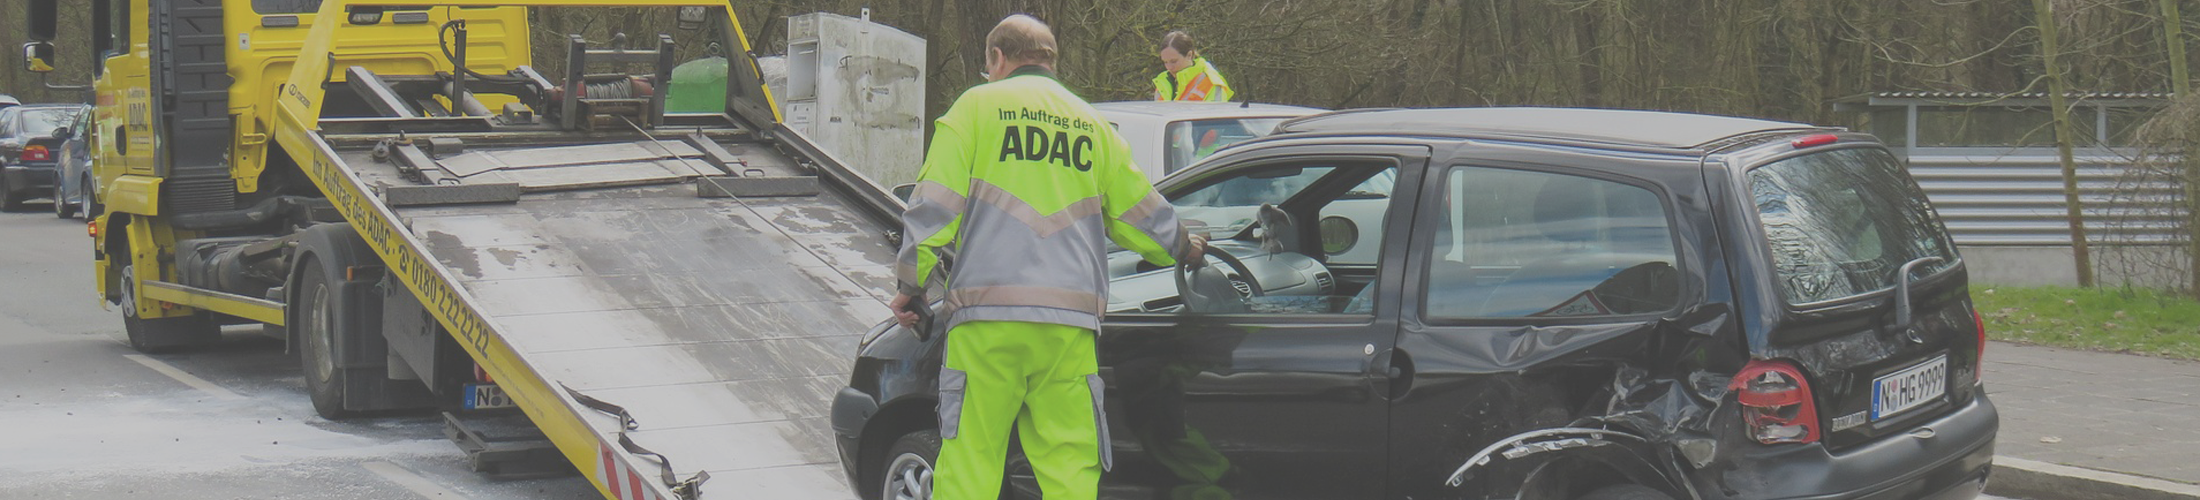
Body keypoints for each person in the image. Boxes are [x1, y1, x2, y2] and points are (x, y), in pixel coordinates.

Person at [891, 14, 1205, 500]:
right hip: (1068, 328)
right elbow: (1141, 213)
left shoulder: (976, 107)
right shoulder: (1093, 124)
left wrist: (911, 287)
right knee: (1069, 467)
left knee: (971, 459)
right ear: (1049, 61)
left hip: (987, 322)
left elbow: (933, 208)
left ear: (997, 58)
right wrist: (1187, 248)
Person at [1151, 31, 1233, 102]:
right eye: (1165, 62)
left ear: (1189, 55)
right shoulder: (1162, 82)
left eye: (1174, 61)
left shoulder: (1212, 82)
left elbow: (1215, 118)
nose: (1169, 67)